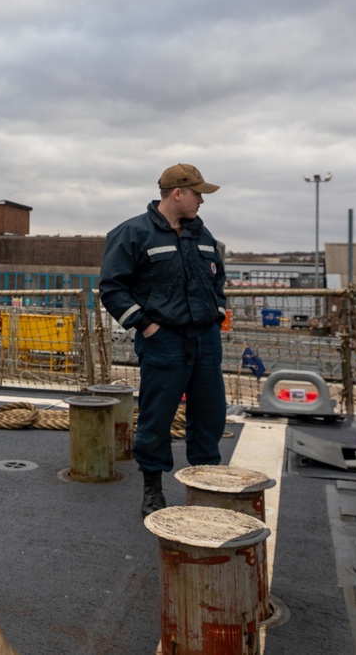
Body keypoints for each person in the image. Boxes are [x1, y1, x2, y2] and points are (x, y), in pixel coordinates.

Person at [99, 163, 227, 518]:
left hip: (205, 341)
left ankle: (203, 489)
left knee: (210, 417)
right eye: (198, 193)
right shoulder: (132, 234)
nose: (202, 200)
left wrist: (215, 314)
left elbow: (217, 280)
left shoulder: (201, 234)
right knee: (157, 418)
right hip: (164, 341)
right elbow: (112, 289)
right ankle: (153, 490)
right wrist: (147, 327)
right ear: (178, 193)